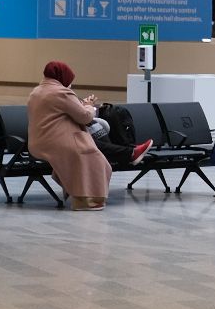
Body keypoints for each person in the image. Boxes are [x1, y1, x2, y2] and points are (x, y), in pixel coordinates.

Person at [26, 61, 145, 211]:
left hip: (38, 143)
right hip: (58, 143)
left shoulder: (36, 92)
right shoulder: (60, 93)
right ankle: (87, 200)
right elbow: (85, 117)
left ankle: (131, 154)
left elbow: (58, 113)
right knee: (93, 155)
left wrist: (82, 105)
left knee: (90, 147)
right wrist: (90, 106)